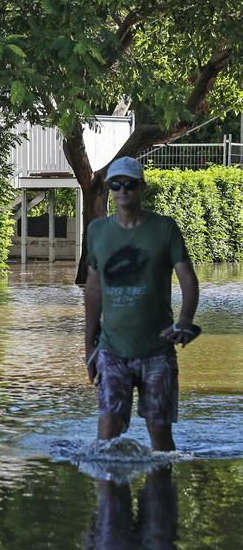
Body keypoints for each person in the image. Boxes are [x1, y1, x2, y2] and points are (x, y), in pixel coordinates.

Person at [84, 156, 200, 451]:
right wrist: (88, 347)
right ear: (110, 188)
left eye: (130, 184)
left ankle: (160, 490)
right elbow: (94, 289)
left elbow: (188, 279)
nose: (123, 190)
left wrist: (184, 322)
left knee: (160, 439)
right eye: (116, 184)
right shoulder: (97, 231)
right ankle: (109, 492)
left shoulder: (164, 229)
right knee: (106, 438)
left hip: (157, 351)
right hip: (112, 350)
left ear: (142, 188)